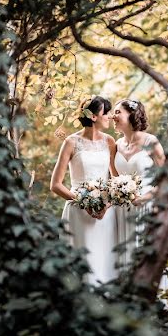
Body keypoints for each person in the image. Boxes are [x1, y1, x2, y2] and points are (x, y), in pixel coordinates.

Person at [50, 96, 120, 285]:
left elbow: (115, 179)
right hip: (78, 212)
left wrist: (107, 203)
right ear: (94, 117)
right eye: (106, 113)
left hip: (106, 213)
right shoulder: (71, 142)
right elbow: (56, 184)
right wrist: (84, 203)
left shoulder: (110, 142)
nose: (110, 117)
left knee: (105, 262)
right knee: (82, 263)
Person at [111, 98, 168, 301]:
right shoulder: (117, 144)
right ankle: (127, 301)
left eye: (118, 112)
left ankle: (153, 300)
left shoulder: (151, 142)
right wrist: (117, 191)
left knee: (145, 253)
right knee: (124, 252)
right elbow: (113, 175)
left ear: (132, 115)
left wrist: (146, 196)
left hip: (146, 206)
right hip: (122, 209)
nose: (113, 116)